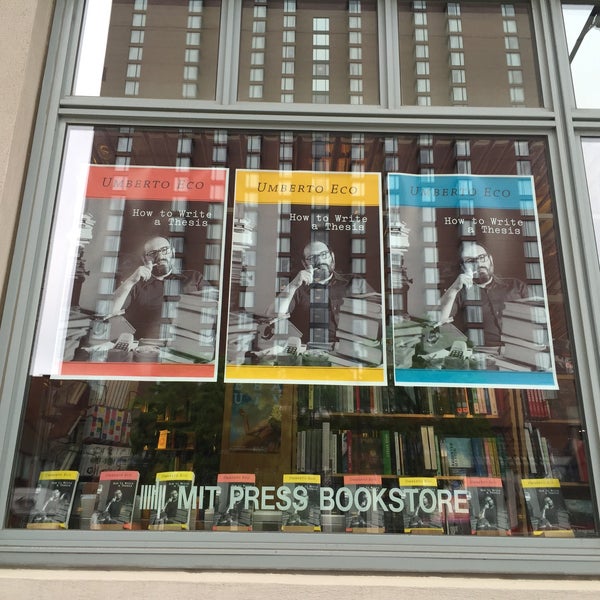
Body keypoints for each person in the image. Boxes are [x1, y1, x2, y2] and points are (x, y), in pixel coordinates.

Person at [110, 236, 208, 340]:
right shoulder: (135, 284)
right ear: (144, 259)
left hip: (188, 345)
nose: (160, 256)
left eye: (164, 250)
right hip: (147, 350)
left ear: (172, 252)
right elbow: (109, 310)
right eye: (153, 253)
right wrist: (130, 281)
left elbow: (215, 310)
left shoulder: (194, 278)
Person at [267, 241, 357, 346]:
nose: (319, 261)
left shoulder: (353, 282)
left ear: (332, 257)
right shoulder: (297, 288)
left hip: (350, 349)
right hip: (312, 353)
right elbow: (272, 314)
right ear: (305, 264)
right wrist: (293, 285)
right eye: (312, 258)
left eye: (324, 255)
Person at [438, 241, 528, 346]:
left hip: (522, 349)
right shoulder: (459, 293)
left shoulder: (516, 286)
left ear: (491, 260)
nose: (479, 264)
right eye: (470, 261)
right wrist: (454, 289)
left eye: (481, 257)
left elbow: (537, 318)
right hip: (483, 354)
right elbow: (437, 321)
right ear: (463, 267)